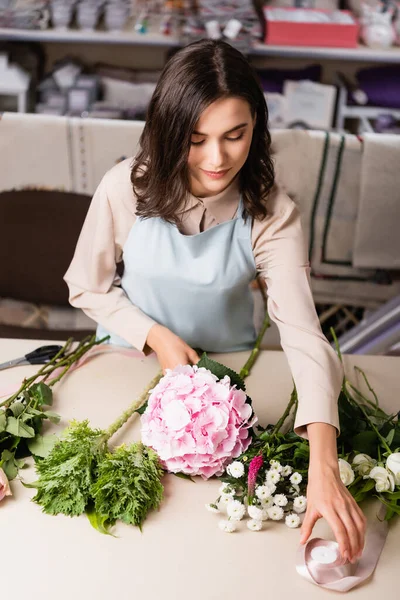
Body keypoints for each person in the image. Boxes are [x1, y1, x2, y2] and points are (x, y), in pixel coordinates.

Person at [64, 39, 366, 562]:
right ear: (168, 129)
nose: (216, 158)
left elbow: (301, 334)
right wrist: (155, 337)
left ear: (257, 127)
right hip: (128, 360)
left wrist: (324, 462)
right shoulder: (124, 187)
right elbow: (86, 286)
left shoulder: (271, 212)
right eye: (195, 138)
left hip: (229, 370)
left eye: (235, 135)